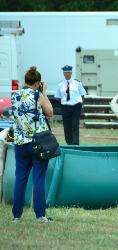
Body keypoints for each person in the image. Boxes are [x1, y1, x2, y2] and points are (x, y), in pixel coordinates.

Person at [10, 66, 54, 223]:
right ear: (37, 83)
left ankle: (16, 215)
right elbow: (50, 112)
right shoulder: (38, 95)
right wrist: (44, 93)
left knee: (20, 178)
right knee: (39, 178)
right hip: (38, 142)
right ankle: (40, 215)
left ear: (25, 81)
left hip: (20, 142)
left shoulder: (15, 95)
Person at [54, 65, 87, 145]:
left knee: (75, 125)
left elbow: (83, 94)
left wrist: (80, 103)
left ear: (71, 73)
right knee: (67, 126)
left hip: (76, 106)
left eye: (68, 72)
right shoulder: (60, 85)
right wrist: (64, 102)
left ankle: (75, 144)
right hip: (65, 107)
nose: (67, 74)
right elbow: (57, 97)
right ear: (63, 74)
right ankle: (69, 143)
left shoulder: (77, 83)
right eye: (65, 73)